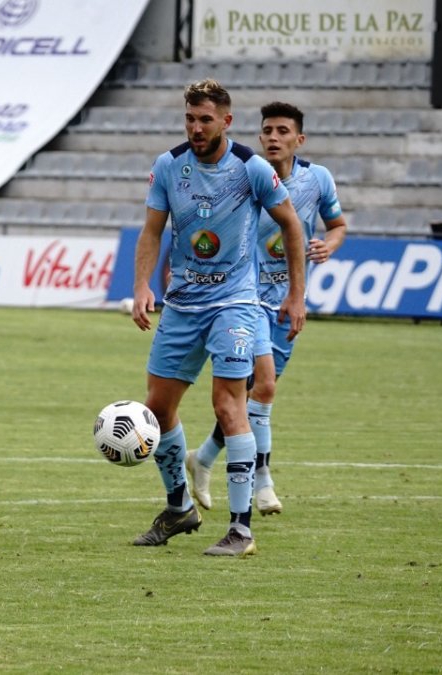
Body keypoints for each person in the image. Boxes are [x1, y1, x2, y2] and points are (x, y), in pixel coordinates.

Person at [130, 79, 308, 557]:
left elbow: (291, 225)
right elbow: (152, 231)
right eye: (190, 118)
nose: (196, 128)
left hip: (235, 304)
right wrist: (142, 285)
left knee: (228, 406)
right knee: (157, 408)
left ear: (226, 121)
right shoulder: (169, 166)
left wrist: (296, 295)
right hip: (182, 305)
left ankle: (240, 530)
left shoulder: (251, 168)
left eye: (205, 119)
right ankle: (179, 507)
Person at [186, 101, 347, 516]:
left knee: (251, 395)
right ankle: (263, 482)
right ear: (259, 136)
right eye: (268, 131)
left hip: (287, 301)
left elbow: (337, 225)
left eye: (282, 131)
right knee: (266, 388)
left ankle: (203, 457)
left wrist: (328, 246)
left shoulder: (317, 180)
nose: (274, 137)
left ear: (299, 139)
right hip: (245, 298)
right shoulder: (245, 176)